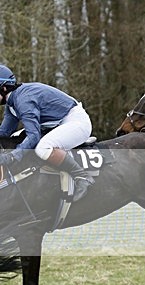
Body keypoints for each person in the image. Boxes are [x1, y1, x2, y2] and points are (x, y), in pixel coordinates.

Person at [0, 64, 94, 201]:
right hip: (57, 123)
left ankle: (82, 176)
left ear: (3, 88)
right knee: (15, 137)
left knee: (43, 148)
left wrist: (13, 157)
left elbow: (34, 135)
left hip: (76, 122)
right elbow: (4, 132)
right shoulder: (12, 103)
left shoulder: (23, 100)